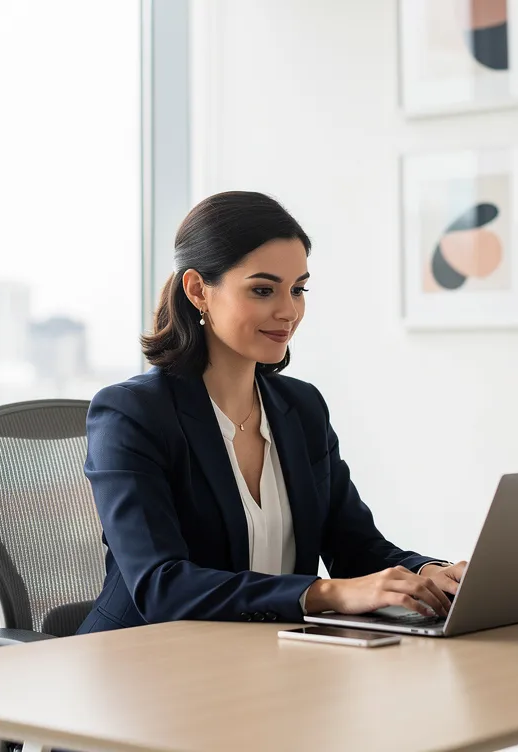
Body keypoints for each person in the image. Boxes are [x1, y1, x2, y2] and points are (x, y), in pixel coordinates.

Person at [77, 191, 466, 633]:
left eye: (298, 289)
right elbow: (161, 586)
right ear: (198, 290)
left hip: (264, 657)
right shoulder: (131, 413)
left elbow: (357, 548)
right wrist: (321, 593)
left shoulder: (300, 408)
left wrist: (431, 574)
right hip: (143, 663)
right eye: (263, 290)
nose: (289, 311)